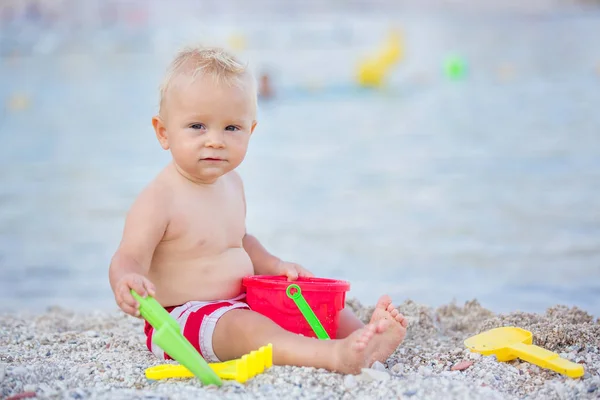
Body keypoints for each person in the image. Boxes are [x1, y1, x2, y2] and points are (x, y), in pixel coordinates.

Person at [108, 46, 408, 374]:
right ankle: (333, 356)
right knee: (247, 328)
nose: (215, 141)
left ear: (250, 131)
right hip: (182, 319)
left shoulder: (233, 184)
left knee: (307, 300)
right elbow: (129, 256)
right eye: (197, 126)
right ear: (164, 132)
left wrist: (274, 265)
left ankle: (365, 338)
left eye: (231, 128)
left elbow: (241, 241)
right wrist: (127, 279)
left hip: (240, 301)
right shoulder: (160, 197)